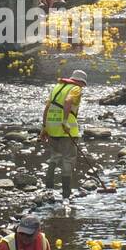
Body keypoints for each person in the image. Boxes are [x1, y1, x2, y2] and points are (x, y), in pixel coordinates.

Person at [41, 69, 86, 199]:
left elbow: (47, 107)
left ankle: (48, 189)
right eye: (83, 84)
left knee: (54, 156)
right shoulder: (76, 89)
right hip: (67, 130)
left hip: (52, 128)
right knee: (68, 159)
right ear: (81, 82)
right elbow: (68, 101)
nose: (83, 87)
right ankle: (66, 193)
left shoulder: (57, 87)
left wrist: (44, 127)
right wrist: (65, 121)